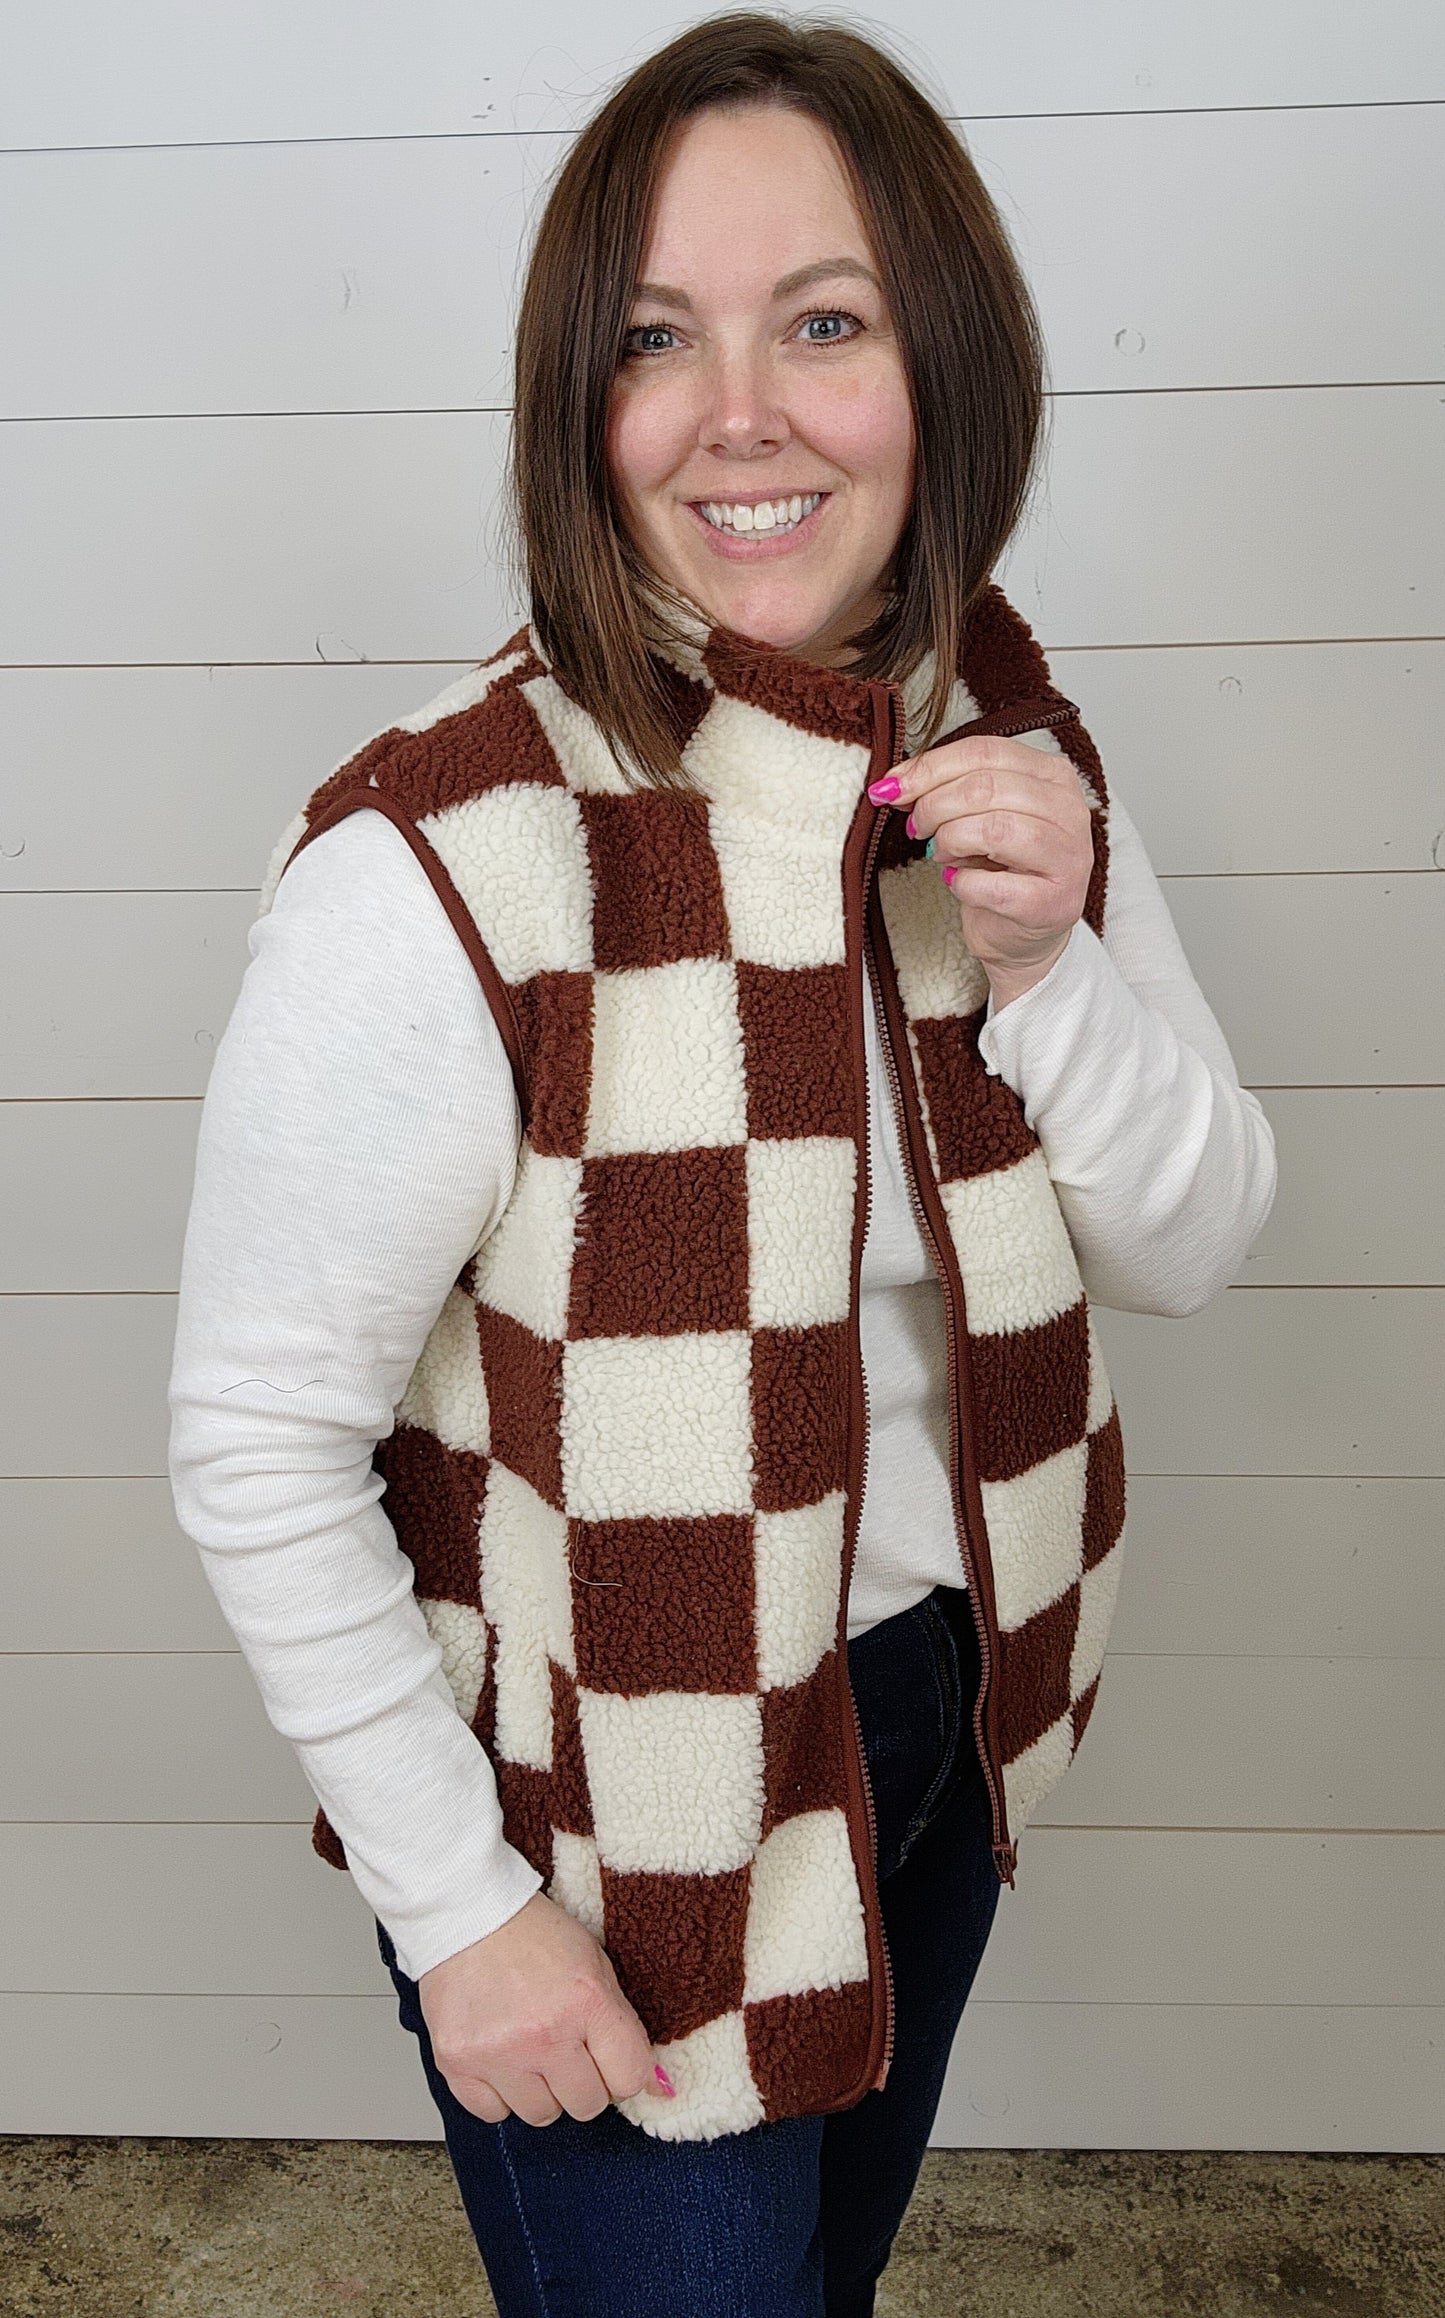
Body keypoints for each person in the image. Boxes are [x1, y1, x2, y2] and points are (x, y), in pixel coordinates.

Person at [167, 13, 1277, 2313]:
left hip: (940, 1721)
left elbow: (1194, 1239)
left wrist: (1055, 962)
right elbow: (258, 1442)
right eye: (659, 337)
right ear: (582, 398)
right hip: (608, 1819)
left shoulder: (1001, 753)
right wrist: (463, 1915)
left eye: (828, 323)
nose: (741, 413)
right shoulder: (448, 854)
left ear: (944, 367)